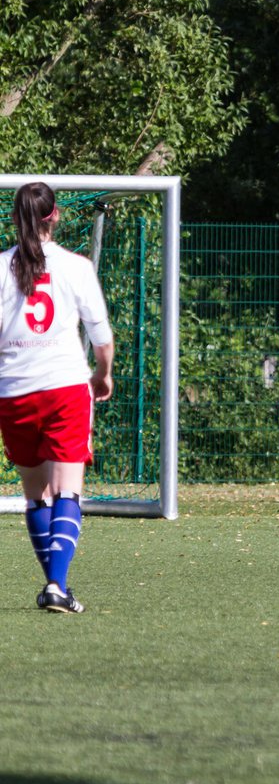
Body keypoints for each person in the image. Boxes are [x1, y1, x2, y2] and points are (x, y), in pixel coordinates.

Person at [1, 182, 114, 613]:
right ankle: (56, 585)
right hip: (66, 387)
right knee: (68, 490)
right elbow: (101, 337)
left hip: (14, 393)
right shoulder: (76, 267)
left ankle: (55, 586)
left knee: (35, 495)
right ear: (56, 215)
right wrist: (103, 375)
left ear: (16, 218)